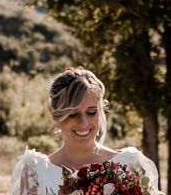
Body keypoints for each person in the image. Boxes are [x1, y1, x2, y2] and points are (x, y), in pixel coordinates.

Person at [10, 67, 162, 195]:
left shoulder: (130, 164)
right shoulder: (35, 172)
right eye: (72, 114)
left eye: (91, 112)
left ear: (101, 109)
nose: (83, 123)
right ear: (54, 112)